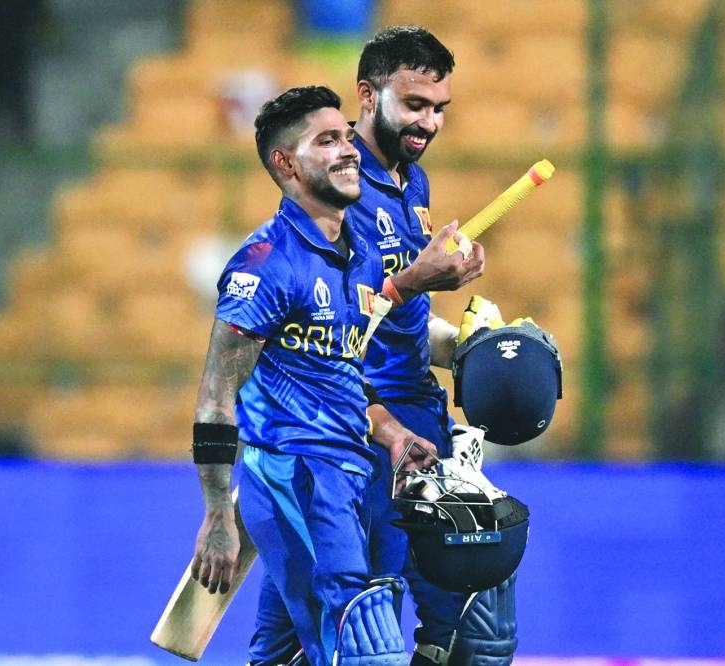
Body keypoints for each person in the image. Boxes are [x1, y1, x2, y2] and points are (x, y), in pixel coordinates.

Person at [188, 85, 480, 666]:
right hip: (297, 477)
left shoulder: (363, 256)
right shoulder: (265, 264)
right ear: (286, 163)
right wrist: (218, 514)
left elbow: (342, 369)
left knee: (281, 656)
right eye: (327, 141)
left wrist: (395, 435)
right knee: (366, 648)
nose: (350, 151)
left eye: (347, 136)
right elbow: (217, 398)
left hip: (350, 475)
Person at [351, 26, 522, 666]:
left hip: (425, 425)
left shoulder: (410, 184)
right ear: (367, 96)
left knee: (479, 623)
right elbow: (326, 329)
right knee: (369, 637)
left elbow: (403, 324)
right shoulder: (337, 187)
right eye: (414, 105)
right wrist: (417, 279)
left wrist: (477, 344)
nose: (428, 122)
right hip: (365, 430)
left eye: (439, 109)